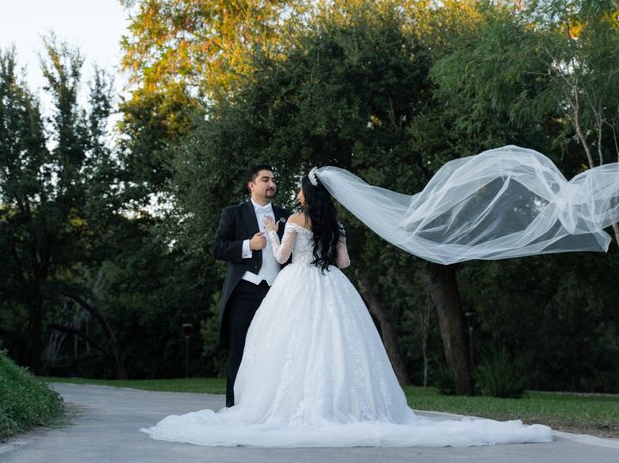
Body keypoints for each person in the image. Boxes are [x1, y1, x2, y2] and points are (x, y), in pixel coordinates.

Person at [143, 168, 552, 447]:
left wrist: (273, 231)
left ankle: (278, 405)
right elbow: (344, 264)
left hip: (296, 286)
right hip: (332, 287)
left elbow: (284, 258)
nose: (287, 190)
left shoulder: (294, 219)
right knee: (336, 345)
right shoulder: (334, 224)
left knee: (292, 349)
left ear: (306, 193)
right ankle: (345, 404)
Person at [210, 164, 291, 407]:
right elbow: (217, 248)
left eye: (274, 180)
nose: (271, 184)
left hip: (277, 293)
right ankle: (234, 408)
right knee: (239, 350)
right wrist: (248, 245)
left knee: (276, 351)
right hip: (244, 292)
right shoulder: (233, 213)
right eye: (265, 179)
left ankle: (270, 407)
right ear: (251, 185)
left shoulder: (286, 216)